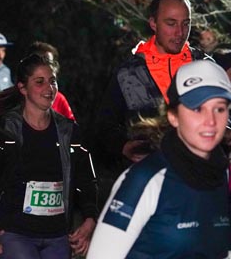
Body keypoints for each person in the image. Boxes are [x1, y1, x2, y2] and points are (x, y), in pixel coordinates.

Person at [87, 60, 231, 258]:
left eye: (220, 109)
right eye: (197, 109)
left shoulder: (222, 175)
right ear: (173, 116)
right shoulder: (145, 179)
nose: (211, 121)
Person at [0, 54, 97, 258]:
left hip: (58, 235)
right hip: (16, 233)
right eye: (40, 82)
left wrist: (90, 218)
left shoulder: (69, 131)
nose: (49, 88)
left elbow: (87, 179)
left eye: (52, 81)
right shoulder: (7, 131)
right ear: (23, 88)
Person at [92, 0, 209, 207]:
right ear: (153, 23)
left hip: (197, 186)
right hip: (147, 188)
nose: (180, 32)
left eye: (186, 23)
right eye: (171, 23)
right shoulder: (129, 72)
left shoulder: (204, 67)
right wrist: (124, 146)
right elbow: (104, 126)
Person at [0, 41, 76, 143]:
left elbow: (72, 132)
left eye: (49, 62)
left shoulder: (59, 99)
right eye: (39, 81)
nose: (46, 67)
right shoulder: (6, 100)